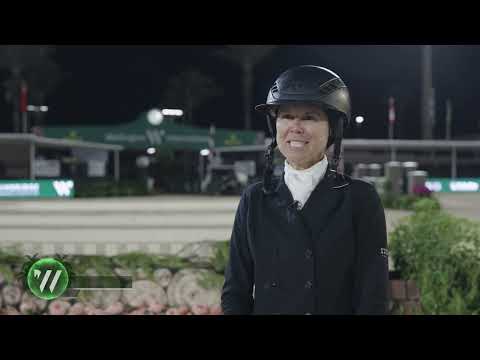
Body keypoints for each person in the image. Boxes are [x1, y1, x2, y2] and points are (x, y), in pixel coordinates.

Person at [221, 65, 389, 315]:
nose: (295, 127)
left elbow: (372, 296)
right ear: (275, 125)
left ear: (333, 128)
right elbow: (235, 292)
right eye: (286, 116)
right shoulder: (254, 199)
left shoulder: (360, 199)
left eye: (309, 117)